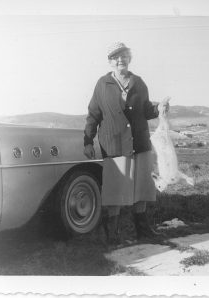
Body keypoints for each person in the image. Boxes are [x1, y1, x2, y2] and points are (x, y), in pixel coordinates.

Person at [84, 42, 170, 244]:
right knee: (115, 190)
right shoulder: (102, 84)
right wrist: (87, 141)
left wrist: (160, 109)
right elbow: (93, 115)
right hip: (114, 144)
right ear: (110, 62)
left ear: (129, 58)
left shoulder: (139, 82)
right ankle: (113, 235)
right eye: (115, 57)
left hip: (139, 142)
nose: (120, 60)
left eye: (123, 56)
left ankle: (143, 230)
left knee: (142, 187)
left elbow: (147, 110)